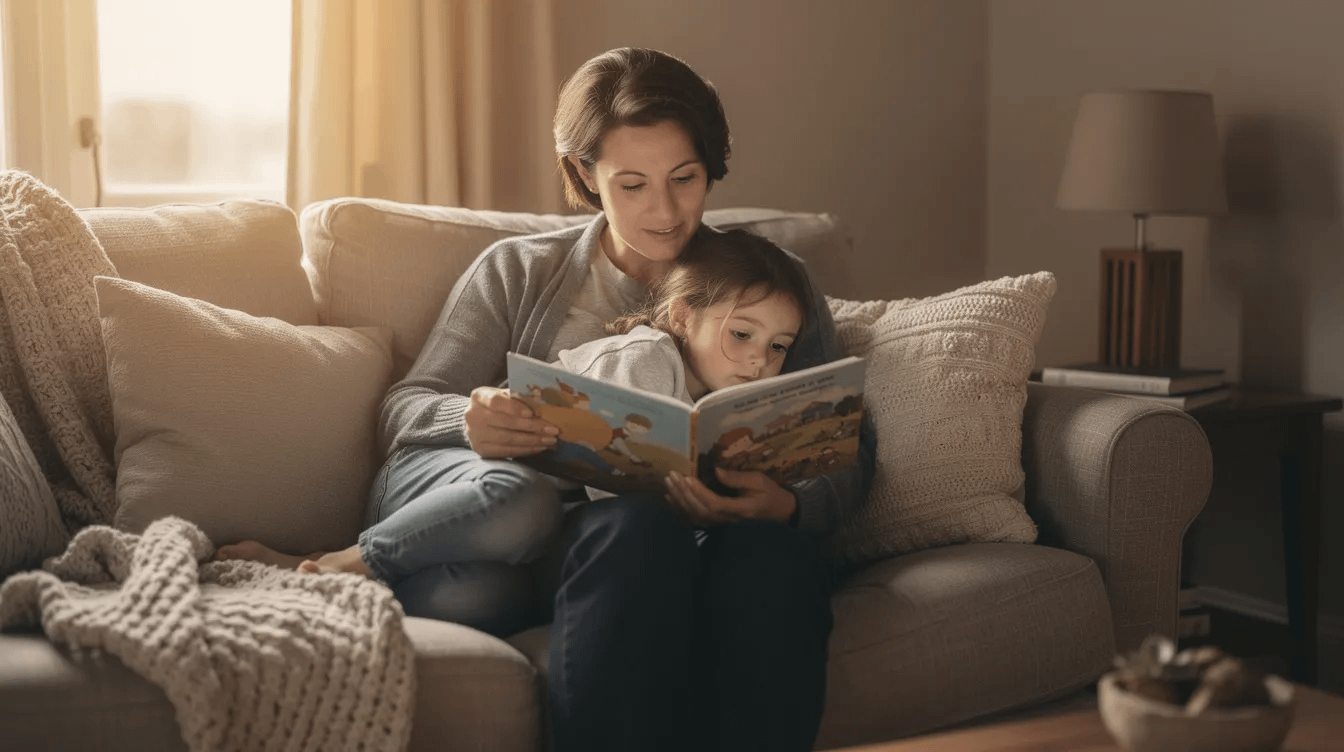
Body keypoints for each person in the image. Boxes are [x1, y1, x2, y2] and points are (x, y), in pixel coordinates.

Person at [220, 47, 876, 752]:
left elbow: (844, 438)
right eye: (631, 184)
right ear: (585, 177)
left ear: (712, 167)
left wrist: (789, 505)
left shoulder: (769, 284)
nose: (663, 210)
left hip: (702, 535)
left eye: (684, 178)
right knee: (632, 532)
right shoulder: (518, 271)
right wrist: (472, 415)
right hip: (542, 523)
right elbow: (405, 406)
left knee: (776, 559)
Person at [552, 226, 811, 500]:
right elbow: (618, 485)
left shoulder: (723, 402)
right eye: (742, 334)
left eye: (778, 346)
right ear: (682, 318)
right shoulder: (646, 359)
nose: (761, 359)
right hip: (520, 472)